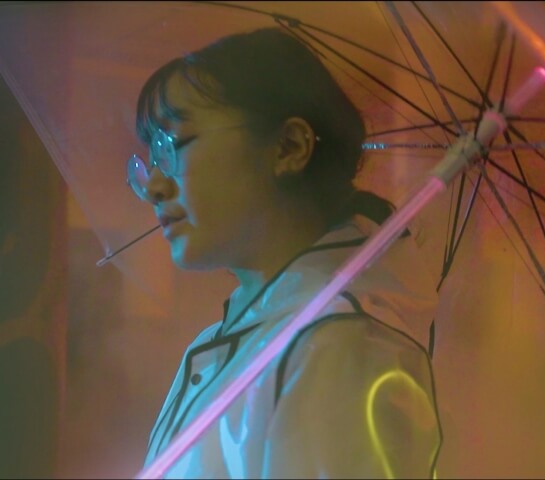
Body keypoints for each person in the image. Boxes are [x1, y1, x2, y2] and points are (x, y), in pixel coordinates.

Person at [128, 27, 441, 479]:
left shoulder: (336, 346)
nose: (155, 186)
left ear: (289, 147)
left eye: (173, 145)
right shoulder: (231, 341)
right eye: (151, 156)